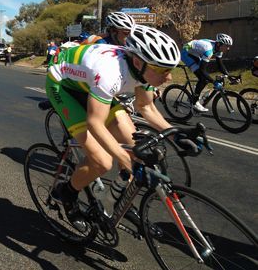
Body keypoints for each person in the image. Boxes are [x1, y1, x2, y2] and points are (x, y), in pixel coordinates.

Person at [46, 25, 201, 232]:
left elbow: (146, 107)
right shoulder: (111, 72)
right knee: (102, 161)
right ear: (138, 62)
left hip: (89, 84)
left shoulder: (143, 67)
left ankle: (117, 201)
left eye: (170, 70)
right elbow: (95, 123)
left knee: (134, 146)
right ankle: (66, 192)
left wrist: (177, 135)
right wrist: (125, 160)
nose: (169, 78)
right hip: (63, 86)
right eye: (163, 71)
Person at [180, 33, 233, 112]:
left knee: (204, 77)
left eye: (229, 46)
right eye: (227, 46)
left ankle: (194, 93)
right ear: (219, 44)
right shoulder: (209, 50)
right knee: (203, 78)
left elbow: (220, 65)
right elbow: (202, 70)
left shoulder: (218, 49)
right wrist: (214, 82)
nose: (228, 48)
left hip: (195, 52)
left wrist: (229, 76)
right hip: (186, 53)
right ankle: (194, 102)